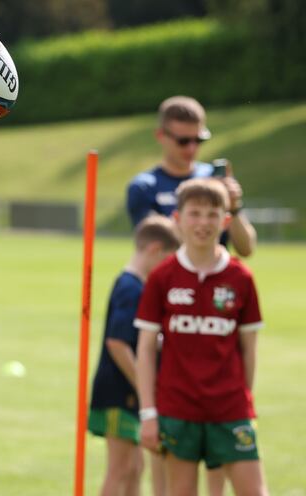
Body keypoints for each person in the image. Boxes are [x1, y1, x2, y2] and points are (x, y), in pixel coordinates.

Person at [136, 178, 268, 496]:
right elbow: (145, 349)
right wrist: (149, 414)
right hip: (177, 410)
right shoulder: (163, 276)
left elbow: (249, 350)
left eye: (212, 214)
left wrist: (243, 401)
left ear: (225, 220)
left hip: (230, 410)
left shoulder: (241, 277)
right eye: (195, 213)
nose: (203, 223)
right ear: (177, 219)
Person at [88, 215, 180, 496]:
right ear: (154, 249)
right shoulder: (132, 288)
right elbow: (117, 343)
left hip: (130, 393)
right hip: (118, 393)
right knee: (120, 469)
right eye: (167, 259)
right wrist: (144, 386)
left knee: (135, 467)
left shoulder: (134, 284)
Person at [126, 95, 257, 258]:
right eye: (183, 141)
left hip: (215, 279)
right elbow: (156, 247)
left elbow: (246, 249)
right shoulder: (144, 187)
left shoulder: (213, 178)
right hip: (172, 282)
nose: (192, 148)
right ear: (161, 136)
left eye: (199, 139)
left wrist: (234, 206)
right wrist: (202, 197)